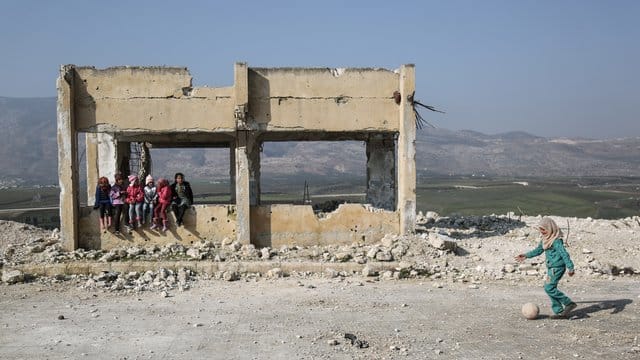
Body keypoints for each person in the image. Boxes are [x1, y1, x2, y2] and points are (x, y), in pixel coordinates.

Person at [516, 217, 577, 319]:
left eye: (544, 229)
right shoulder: (545, 240)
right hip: (551, 268)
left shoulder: (556, 241)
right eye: (540, 229)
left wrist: (570, 267)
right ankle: (559, 311)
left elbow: (564, 254)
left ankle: (569, 303)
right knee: (549, 288)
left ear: (550, 228)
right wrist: (526, 255)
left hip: (557, 268)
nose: (542, 232)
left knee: (549, 288)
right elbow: (538, 250)